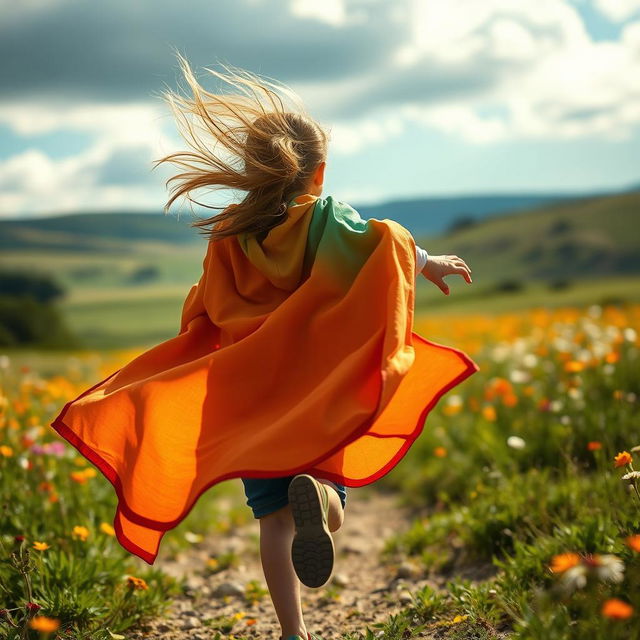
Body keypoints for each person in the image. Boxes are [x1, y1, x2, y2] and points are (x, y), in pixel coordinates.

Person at [50, 53, 479, 640]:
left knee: (272, 521)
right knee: (328, 480)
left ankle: (292, 633)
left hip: (251, 398)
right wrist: (427, 262)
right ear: (318, 173)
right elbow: (381, 241)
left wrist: (196, 353)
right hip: (313, 391)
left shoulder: (229, 234)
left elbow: (202, 305)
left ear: (250, 173)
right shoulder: (325, 219)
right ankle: (324, 500)